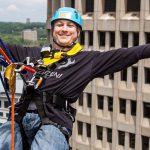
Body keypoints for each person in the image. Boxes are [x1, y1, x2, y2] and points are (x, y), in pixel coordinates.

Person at [0, 6, 150, 150]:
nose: (64, 29)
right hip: (18, 117)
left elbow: (128, 54)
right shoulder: (31, 54)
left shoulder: (87, 61)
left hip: (54, 122)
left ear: (77, 33)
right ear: (53, 30)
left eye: (70, 26)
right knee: (3, 143)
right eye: (59, 25)